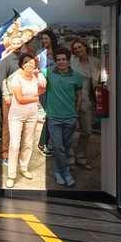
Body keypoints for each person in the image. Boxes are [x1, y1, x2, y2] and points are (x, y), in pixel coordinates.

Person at [45, 47, 84, 187]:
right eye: (58, 60)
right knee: (58, 147)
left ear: (68, 61)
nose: (61, 62)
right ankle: (65, 172)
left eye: (63, 59)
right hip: (54, 117)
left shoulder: (77, 77)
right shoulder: (48, 72)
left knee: (66, 147)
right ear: (55, 61)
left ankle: (58, 170)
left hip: (70, 118)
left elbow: (79, 97)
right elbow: (32, 71)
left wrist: (76, 113)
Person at [6, 53, 46, 188]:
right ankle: (11, 175)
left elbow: (42, 89)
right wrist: (35, 98)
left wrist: (40, 75)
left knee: (28, 143)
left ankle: (23, 168)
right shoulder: (16, 78)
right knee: (14, 144)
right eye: (26, 62)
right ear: (21, 64)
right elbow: (20, 99)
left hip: (32, 115)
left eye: (32, 62)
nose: (29, 64)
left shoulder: (36, 77)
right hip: (16, 116)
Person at [70, 38, 101, 168]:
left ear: (85, 47)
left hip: (87, 100)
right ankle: (70, 158)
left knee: (87, 131)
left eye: (80, 47)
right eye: (75, 48)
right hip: (71, 99)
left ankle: (80, 156)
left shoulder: (95, 62)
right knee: (70, 131)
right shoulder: (72, 60)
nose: (78, 50)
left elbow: (100, 80)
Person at [0, 33, 26, 165]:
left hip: (23, 97)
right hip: (9, 97)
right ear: (10, 45)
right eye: (14, 43)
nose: (17, 46)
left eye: (19, 43)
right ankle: (5, 154)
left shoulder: (25, 59)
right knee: (7, 126)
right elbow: (1, 80)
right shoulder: (6, 60)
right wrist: (5, 95)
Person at [37, 29, 59, 157]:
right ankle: (43, 143)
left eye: (46, 38)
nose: (44, 41)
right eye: (43, 39)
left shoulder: (58, 52)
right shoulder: (40, 54)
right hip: (44, 89)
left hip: (57, 88)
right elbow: (35, 69)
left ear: (52, 39)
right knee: (50, 115)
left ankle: (48, 142)